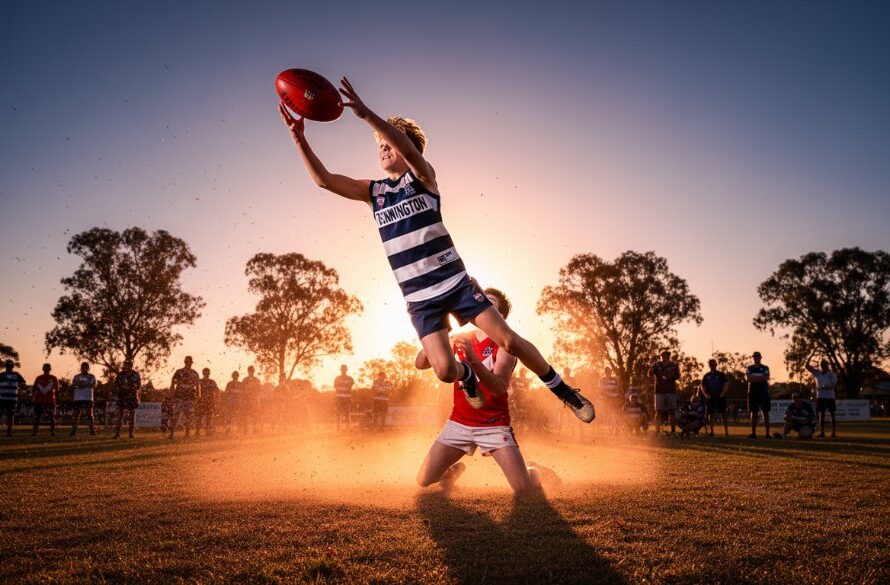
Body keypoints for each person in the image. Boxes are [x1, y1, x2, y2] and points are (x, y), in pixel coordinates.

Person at [278, 78, 594, 424]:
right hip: (419, 297)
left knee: (509, 341)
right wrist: (299, 138)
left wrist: (369, 115)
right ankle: (468, 376)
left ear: (407, 150)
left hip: (455, 283)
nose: (383, 148)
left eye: (389, 143)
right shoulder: (375, 192)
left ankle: (565, 391)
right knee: (444, 370)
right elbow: (324, 180)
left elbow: (411, 153)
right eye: (379, 145)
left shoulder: (423, 179)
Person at [415, 288, 558, 494]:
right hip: (459, 422)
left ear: (498, 316)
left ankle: (536, 471)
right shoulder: (459, 337)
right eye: (480, 300)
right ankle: (452, 472)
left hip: (494, 425)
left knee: (524, 488)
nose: (479, 306)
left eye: (489, 303)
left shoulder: (506, 346)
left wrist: (473, 359)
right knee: (424, 479)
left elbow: (499, 387)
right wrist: (440, 332)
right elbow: (420, 363)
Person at [168, 356, 200, 439]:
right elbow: (173, 382)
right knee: (176, 415)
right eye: (187, 362)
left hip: (190, 397)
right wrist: (172, 393)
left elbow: (197, 385)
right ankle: (171, 434)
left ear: (192, 363)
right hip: (179, 396)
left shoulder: (194, 373)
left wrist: (198, 394)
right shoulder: (179, 372)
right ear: (185, 362)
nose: (188, 363)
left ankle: (187, 434)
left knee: (188, 416)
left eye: (190, 362)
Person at [649, 351, 680, 435]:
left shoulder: (674, 365)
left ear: (669, 356)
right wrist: (651, 370)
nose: (663, 358)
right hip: (659, 391)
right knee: (658, 411)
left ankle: (673, 430)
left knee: (672, 411)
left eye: (665, 356)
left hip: (671, 391)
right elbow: (649, 374)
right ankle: (657, 431)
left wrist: (669, 376)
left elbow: (678, 376)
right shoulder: (656, 365)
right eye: (662, 356)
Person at [806, 359, 838, 438]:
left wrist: (825, 386)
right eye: (821, 364)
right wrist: (811, 355)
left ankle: (833, 432)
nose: (822, 366)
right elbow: (806, 366)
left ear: (827, 365)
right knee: (821, 415)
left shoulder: (831, 374)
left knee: (832, 414)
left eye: (824, 364)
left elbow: (834, 383)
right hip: (821, 396)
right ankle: (822, 432)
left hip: (830, 396)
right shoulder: (817, 373)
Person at [701, 359, 730, 437]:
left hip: (720, 396)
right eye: (711, 364)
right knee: (710, 414)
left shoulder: (721, 374)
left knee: (723, 414)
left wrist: (722, 393)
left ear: (716, 365)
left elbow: (726, 384)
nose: (712, 366)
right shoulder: (706, 376)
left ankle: (726, 432)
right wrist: (706, 395)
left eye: (714, 364)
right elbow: (702, 386)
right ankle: (712, 432)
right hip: (710, 397)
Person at [746, 351, 771, 439]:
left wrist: (755, 378)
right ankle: (753, 433)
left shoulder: (765, 367)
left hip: (764, 392)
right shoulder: (749, 368)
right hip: (753, 393)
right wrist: (760, 378)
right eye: (754, 357)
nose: (756, 358)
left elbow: (766, 378)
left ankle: (767, 434)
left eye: (757, 357)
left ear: (760, 357)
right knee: (754, 412)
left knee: (765, 412)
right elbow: (749, 379)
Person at [113, 360, 141, 439]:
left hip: (132, 396)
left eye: (128, 365)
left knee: (132, 416)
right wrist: (122, 387)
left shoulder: (136, 374)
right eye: (125, 365)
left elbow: (138, 385)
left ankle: (131, 433)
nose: (126, 367)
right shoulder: (120, 374)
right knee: (120, 415)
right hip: (122, 396)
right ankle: (117, 433)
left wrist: (131, 387)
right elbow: (116, 384)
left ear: (131, 366)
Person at [31, 363, 59, 436]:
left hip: (50, 401)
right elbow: (33, 388)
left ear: (50, 369)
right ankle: (34, 432)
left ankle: (52, 431)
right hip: (39, 400)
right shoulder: (39, 378)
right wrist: (33, 397)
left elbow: (57, 389)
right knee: (37, 416)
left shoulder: (53, 378)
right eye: (45, 368)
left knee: (51, 416)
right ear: (43, 369)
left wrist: (56, 399)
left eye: (48, 368)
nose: (46, 369)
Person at [70, 362, 97, 436]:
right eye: (82, 367)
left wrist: (81, 384)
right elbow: (74, 384)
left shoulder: (91, 376)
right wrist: (85, 385)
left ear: (88, 368)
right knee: (76, 415)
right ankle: (73, 431)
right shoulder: (76, 376)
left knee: (90, 415)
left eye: (85, 367)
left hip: (88, 398)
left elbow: (93, 385)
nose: (83, 369)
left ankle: (92, 431)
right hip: (78, 398)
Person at [0, 359, 26, 437]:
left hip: (8, 398)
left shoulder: (5, 375)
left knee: (9, 415)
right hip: (7, 398)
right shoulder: (4, 375)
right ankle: (9, 433)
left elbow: (23, 383)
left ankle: (9, 432)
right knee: (9, 415)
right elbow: (23, 384)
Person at [195, 367, 219, 436]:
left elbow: (217, 391)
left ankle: (207, 431)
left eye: (207, 372)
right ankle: (197, 431)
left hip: (210, 401)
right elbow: (196, 391)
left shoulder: (212, 382)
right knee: (199, 417)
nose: (206, 374)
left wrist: (216, 399)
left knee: (208, 417)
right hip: (201, 401)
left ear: (209, 373)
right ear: (203, 373)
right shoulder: (200, 381)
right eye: (205, 372)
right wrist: (197, 399)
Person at [598, 367, 623, 434]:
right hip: (606, 399)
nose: (608, 372)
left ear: (611, 372)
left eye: (609, 371)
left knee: (615, 414)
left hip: (614, 399)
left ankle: (616, 429)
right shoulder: (602, 380)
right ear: (605, 372)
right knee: (608, 415)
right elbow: (601, 389)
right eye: (607, 371)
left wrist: (617, 396)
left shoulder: (614, 380)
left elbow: (618, 388)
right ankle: (611, 429)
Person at [333, 364, 355, 431]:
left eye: (344, 369)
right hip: (339, 397)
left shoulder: (350, 378)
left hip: (347, 398)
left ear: (346, 370)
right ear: (341, 370)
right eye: (342, 369)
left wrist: (341, 385)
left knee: (347, 413)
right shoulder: (337, 378)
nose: (343, 371)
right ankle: (338, 428)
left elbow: (351, 385)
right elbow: (335, 386)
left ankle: (347, 427)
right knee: (338, 413)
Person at [241, 366, 261, 433]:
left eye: (252, 370)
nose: (251, 372)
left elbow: (259, 390)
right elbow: (242, 390)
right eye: (249, 370)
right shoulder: (244, 380)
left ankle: (255, 428)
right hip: (246, 400)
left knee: (254, 415)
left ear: (253, 371)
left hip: (254, 400)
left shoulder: (257, 380)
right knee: (245, 415)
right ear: (248, 371)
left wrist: (255, 396)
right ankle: (245, 429)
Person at [222, 371, 242, 436]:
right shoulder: (229, 383)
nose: (235, 377)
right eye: (234, 375)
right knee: (229, 416)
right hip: (230, 402)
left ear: (238, 376)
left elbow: (243, 392)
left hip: (238, 402)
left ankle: (238, 428)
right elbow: (226, 392)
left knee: (238, 415)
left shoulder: (240, 384)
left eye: (236, 375)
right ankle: (228, 429)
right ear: (232, 376)